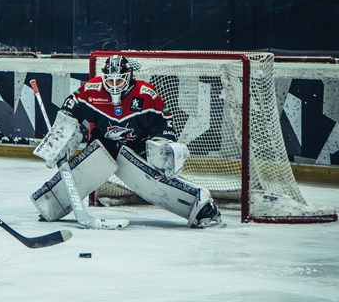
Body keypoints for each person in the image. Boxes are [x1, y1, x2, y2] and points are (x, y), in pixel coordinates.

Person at [31, 55, 222, 228]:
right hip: (103, 145)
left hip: (136, 147)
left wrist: (162, 151)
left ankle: (203, 206)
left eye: (120, 79)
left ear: (130, 76)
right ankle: (50, 203)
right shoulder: (91, 90)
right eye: (110, 79)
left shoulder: (147, 95)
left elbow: (164, 128)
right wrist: (62, 135)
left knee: (154, 183)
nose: (114, 84)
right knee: (85, 168)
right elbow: (71, 106)